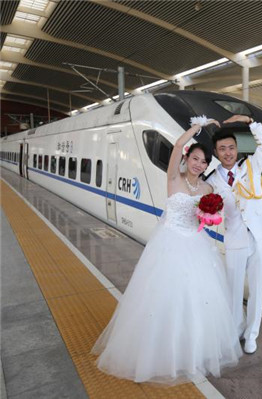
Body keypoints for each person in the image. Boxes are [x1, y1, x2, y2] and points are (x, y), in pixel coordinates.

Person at [92, 116, 242, 385]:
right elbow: (176, 147)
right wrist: (199, 127)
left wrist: (210, 215)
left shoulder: (208, 188)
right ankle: (160, 352)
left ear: (208, 165)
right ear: (187, 158)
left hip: (196, 246)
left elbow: (209, 217)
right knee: (165, 300)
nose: (199, 164)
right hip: (169, 243)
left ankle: (191, 351)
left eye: (204, 161)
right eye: (195, 158)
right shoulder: (174, 177)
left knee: (196, 300)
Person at [206, 114, 262, 355]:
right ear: (216, 153)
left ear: (237, 148)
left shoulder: (251, 165)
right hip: (235, 239)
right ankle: (236, 328)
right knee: (234, 288)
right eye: (222, 149)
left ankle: (251, 335)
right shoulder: (213, 180)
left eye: (231, 147)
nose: (228, 153)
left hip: (259, 236)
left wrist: (250, 122)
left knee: (257, 288)